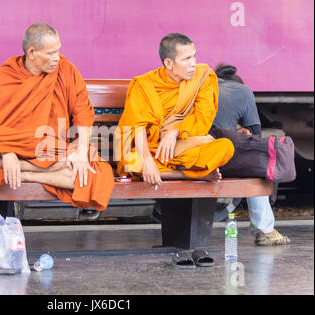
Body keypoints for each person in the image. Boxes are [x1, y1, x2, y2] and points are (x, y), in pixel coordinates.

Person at [0, 23, 114, 211]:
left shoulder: (67, 70)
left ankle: (25, 175)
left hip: (48, 146)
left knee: (91, 170)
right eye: (50, 53)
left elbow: (83, 114)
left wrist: (80, 151)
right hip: (14, 146)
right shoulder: (5, 75)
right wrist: (7, 153)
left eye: (58, 51)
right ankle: (34, 170)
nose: (57, 58)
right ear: (31, 52)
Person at [116, 33, 234, 186]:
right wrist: (147, 160)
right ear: (169, 63)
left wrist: (175, 132)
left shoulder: (203, 77)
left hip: (182, 145)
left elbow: (202, 119)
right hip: (153, 149)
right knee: (132, 161)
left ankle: (170, 171)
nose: (193, 63)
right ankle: (188, 175)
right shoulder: (144, 85)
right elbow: (137, 128)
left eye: (194, 57)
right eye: (186, 59)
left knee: (225, 147)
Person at [212, 63, 291, 246]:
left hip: (182, 155)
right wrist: (240, 129)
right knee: (257, 162)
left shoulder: (201, 86)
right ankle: (265, 230)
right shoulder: (243, 91)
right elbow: (255, 137)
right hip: (215, 158)